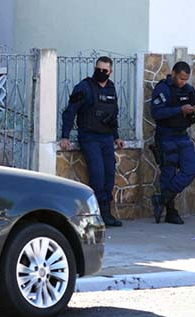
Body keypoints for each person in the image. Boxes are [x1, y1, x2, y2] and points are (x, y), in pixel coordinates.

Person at [150, 61, 195, 224]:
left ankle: (161, 199)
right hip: (166, 136)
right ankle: (170, 211)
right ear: (173, 73)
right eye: (181, 78)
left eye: (186, 79)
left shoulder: (187, 89)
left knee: (190, 170)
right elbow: (156, 113)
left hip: (182, 136)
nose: (183, 82)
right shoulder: (162, 89)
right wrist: (180, 110)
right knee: (168, 173)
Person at [60, 56, 125, 227]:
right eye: (98, 69)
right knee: (97, 174)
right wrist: (65, 136)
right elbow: (70, 111)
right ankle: (96, 215)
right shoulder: (85, 87)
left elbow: (113, 115)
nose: (101, 73)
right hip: (89, 137)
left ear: (110, 72)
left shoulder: (111, 88)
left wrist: (116, 137)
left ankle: (106, 213)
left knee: (109, 174)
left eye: (105, 70)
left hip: (106, 138)